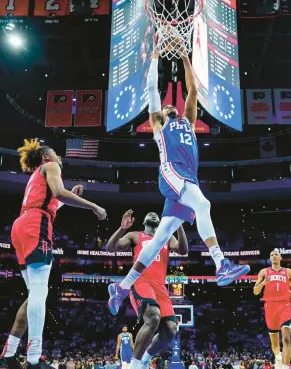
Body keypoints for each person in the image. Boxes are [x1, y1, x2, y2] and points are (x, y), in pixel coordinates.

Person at [108, 34, 250, 314]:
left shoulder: (188, 121)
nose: (172, 105)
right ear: (160, 114)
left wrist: (185, 57)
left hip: (187, 180)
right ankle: (221, 263)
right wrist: (154, 56)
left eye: (175, 104)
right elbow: (151, 88)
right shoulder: (159, 124)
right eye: (167, 106)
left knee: (159, 240)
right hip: (172, 175)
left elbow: (193, 91)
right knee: (204, 204)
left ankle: (122, 287)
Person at [1, 139, 107, 369]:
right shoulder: (50, 167)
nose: (60, 157)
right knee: (40, 290)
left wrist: (69, 196)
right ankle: (34, 358)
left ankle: (8, 354)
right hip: (35, 225)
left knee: (33, 295)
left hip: (22, 225)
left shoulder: (35, 177)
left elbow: (51, 201)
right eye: (56, 154)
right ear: (46, 158)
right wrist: (93, 206)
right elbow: (59, 192)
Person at [107, 210, 188, 369]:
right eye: (149, 214)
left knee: (171, 330)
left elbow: (183, 250)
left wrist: (179, 225)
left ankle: (145, 359)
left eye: (156, 215)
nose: (152, 215)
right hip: (141, 282)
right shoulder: (135, 235)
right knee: (153, 317)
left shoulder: (167, 237)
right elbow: (110, 247)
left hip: (160, 288)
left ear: (160, 222)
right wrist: (122, 229)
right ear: (143, 221)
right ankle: (134, 365)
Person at [253, 248, 291, 369]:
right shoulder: (264, 272)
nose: (274, 256)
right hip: (270, 307)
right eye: (272, 254)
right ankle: (278, 357)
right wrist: (263, 283)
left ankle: (285, 366)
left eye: (276, 254)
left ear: (280, 257)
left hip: (285, 306)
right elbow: (255, 292)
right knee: (274, 344)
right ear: (270, 258)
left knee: (286, 338)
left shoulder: (288, 272)